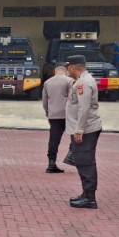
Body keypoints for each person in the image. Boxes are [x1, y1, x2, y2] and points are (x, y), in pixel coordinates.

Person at [65, 55, 103, 210]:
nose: (67, 70)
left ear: (73, 67)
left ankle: (89, 198)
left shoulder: (83, 83)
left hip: (86, 129)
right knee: (82, 161)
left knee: (85, 162)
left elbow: (84, 107)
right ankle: (86, 194)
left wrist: (79, 129)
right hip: (85, 128)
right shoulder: (83, 80)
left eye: (68, 67)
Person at [42, 66, 72, 173]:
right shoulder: (70, 81)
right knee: (75, 134)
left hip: (54, 115)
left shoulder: (47, 82)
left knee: (54, 140)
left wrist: (48, 112)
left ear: (55, 72)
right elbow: (72, 98)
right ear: (66, 72)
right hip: (67, 115)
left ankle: (51, 163)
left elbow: (45, 101)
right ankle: (72, 156)